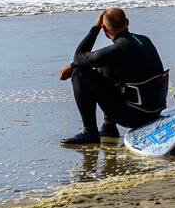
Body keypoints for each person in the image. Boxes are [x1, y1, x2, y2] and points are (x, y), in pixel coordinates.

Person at [58, 8, 168, 145]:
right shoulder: (144, 40)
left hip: (136, 117)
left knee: (79, 72)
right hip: (154, 111)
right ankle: (108, 126)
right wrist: (75, 63)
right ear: (127, 22)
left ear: (104, 27)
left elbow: (79, 56)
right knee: (103, 64)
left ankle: (90, 132)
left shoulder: (117, 50)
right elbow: (91, 58)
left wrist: (95, 29)